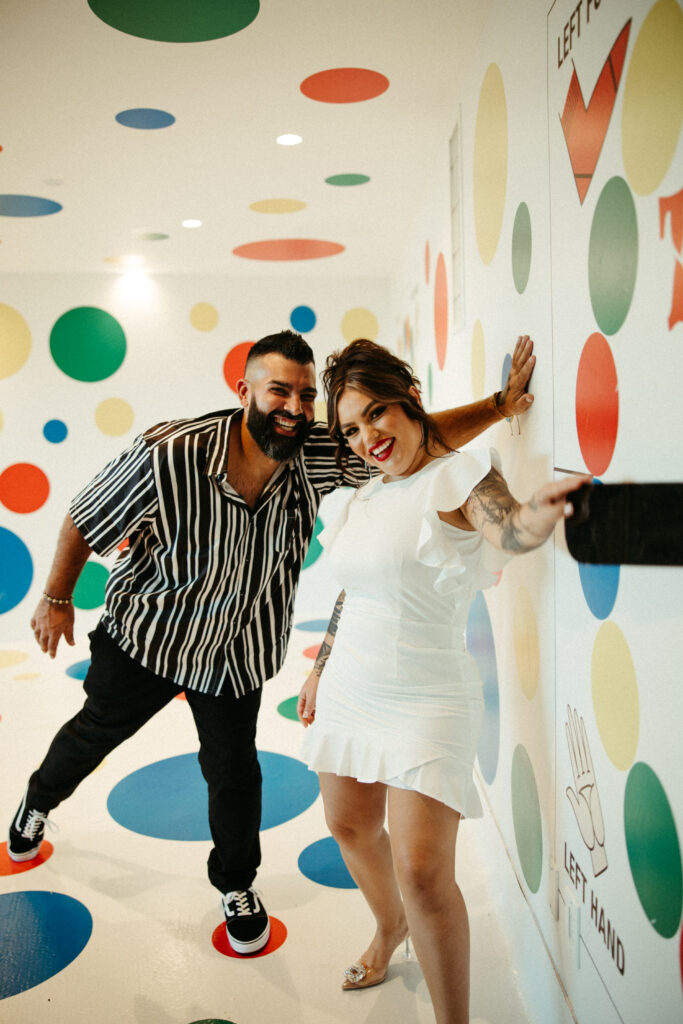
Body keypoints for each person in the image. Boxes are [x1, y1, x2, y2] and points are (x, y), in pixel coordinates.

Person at [8, 329, 535, 957]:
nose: (294, 406)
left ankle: (235, 886)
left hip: (235, 652)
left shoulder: (311, 451)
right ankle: (35, 804)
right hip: (148, 635)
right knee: (94, 731)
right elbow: (86, 514)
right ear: (246, 391)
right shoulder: (169, 452)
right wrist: (57, 597)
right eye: (279, 390)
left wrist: (499, 407)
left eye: (306, 396)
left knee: (233, 775)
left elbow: (412, 436)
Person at [297, 339, 589, 1021]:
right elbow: (352, 594)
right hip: (348, 687)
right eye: (351, 428)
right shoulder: (356, 499)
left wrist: (539, 511)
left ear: (410, 401)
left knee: (424, 873)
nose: (368, 437)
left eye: (377, 414)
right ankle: (387, 926)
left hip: (426, 696)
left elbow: (511, 531)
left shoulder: (457, 478)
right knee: (348, 825)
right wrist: (318, 667)